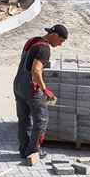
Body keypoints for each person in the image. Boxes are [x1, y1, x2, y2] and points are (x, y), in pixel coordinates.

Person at [13, 24, 68, 159]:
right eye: (60, 41)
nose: (60, 44)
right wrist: (44, 88)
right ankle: (33, 151)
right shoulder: (44, 49)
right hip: (30, 88)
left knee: (24, 119)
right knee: (41, 119)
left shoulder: (32, 40)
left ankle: (23, 149)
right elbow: (36, 70)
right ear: (55, 36)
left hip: (18, 84)